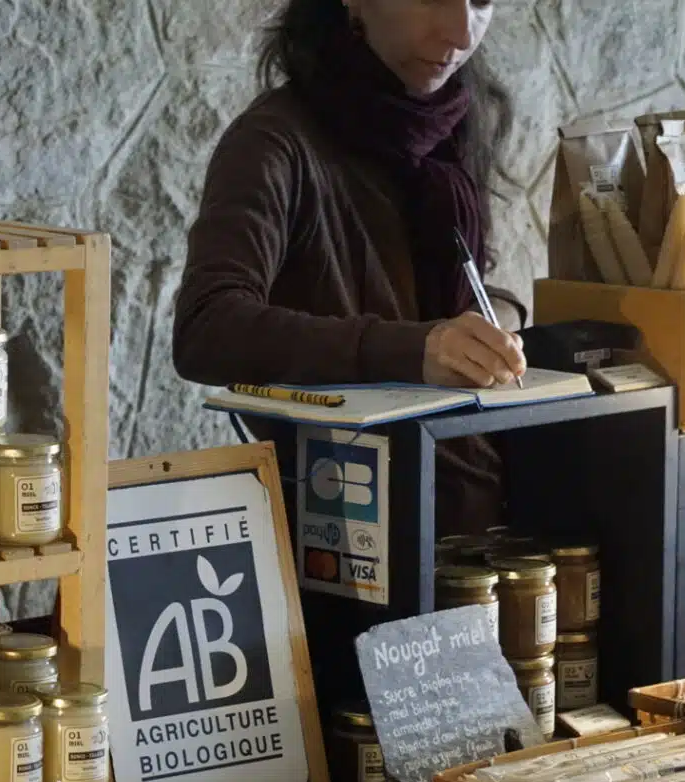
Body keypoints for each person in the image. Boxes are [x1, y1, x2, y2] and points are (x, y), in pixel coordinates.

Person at [173, 0, 524, 537]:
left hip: (471, 514)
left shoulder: (452, 121)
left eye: (480, 1)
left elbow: (430, 292)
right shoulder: (272, 141)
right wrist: (414, 349)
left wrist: (493, 330)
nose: (460, 34)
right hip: (346, 526)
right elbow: (206, 328)